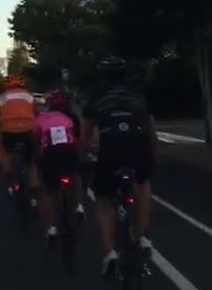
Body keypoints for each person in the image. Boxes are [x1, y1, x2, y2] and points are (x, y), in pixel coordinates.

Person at [82, 57, 157, 277]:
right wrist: (152, 158)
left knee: (104, 200)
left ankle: (110, 252)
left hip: (109, 154)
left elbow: (85, 138)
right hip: (138, 150)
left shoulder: (95, 100)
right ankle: (142, 236)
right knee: (142, 185)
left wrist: (88, 155)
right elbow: (151, 132)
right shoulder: (137, 98)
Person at [36, 91, 80, 242]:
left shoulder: (40, 118)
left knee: (48, 189)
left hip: (50, 155)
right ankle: (79, 205)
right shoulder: (71, 118)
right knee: (75, 175)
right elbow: (77, 140)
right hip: (68, 153)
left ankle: (51, 227)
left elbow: (35, 141)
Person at [0, 76, 39, 208]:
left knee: (5, 153)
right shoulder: (29, 97)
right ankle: (34, 194)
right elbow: (36, 114)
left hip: (8, 131)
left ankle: (10, 184)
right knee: (31, 161)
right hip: (28, 130)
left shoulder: (2, 98)